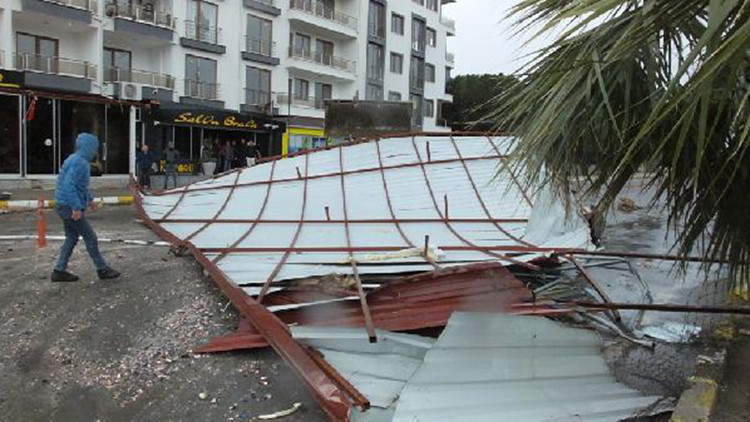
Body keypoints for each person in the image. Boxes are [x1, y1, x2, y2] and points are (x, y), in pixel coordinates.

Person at [51, 133, 120, 282]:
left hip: (63, 204)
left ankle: (59, 270)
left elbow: (80, 186)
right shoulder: (80, 163)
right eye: (94, 148)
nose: (95, 152)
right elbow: (69, 185)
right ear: (88, 148)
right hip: (68, 206)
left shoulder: (75, 159)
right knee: (90, 237)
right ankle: (102, 269)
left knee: (71, 237)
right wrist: (76, 207)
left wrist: (89, 200)